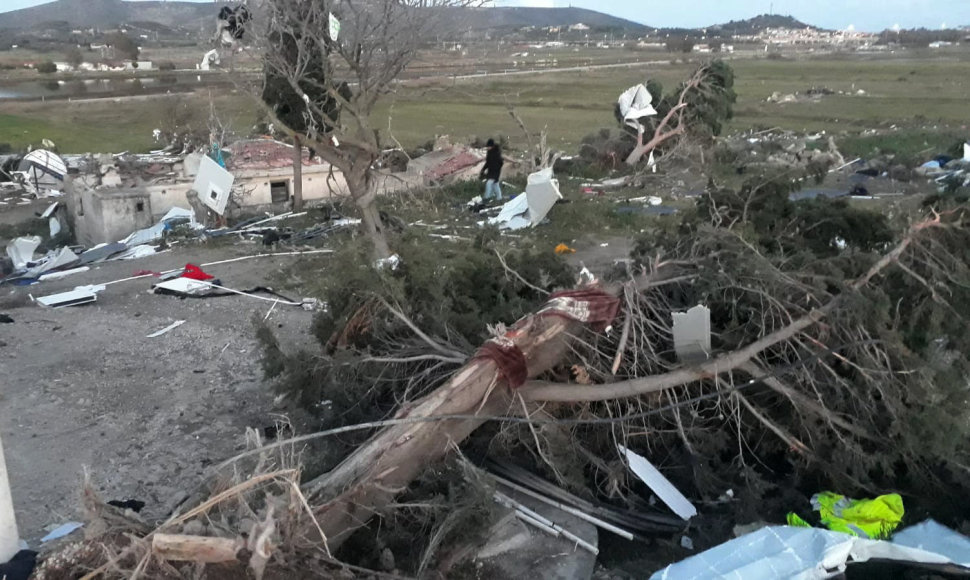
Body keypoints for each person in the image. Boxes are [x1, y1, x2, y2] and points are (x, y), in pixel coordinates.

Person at [480, 138, 504, 203]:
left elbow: (501, 163)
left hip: (496, 172)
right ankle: (499, 198)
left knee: (489, 183)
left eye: (489, 146)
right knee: (495, 185)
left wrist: (496, 168)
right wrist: (483, 169)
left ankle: (486, 198)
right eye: (487, 146)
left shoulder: (497, 153)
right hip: (490, 172)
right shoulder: (489, 153)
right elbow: (487, 162)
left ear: (492, 146)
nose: (488, 148)